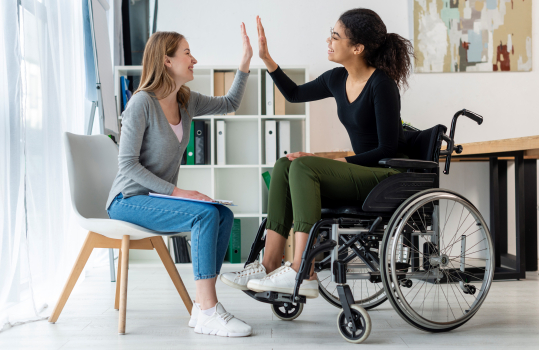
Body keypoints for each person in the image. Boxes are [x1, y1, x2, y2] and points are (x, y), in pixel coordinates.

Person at [221, 9, 414, 299]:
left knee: (305, 166)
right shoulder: (337, 79)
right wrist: (266, 58)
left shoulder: (382, 85)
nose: (329, 40)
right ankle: (270, 263)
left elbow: (386, 149)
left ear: (357, 48)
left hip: (386, 175)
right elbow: (295, 94)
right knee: (286, 164)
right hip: (363, 172)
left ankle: (303, 269)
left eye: (336, 36)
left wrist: (334, 161)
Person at [106, 26, 254, 337]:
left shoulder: (186, 101)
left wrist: (244, 63)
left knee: (221, 213)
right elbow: (127, 164)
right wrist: (178, 192)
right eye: (187, 53)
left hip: (158, 199)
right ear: (167, 61)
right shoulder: (141, 103)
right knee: (203, 213)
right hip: (127, 200)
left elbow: (229, 103)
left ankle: (202, 306)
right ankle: (210, 310)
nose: (194, 59)